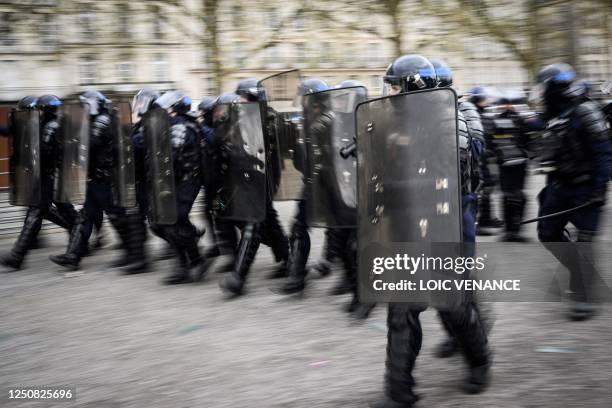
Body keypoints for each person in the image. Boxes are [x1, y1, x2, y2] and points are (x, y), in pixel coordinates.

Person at [372, 55, 490, 408]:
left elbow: (449, 179)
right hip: (410, 222)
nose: (389, 93)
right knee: (402, 307)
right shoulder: (404, 119)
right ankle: (398, 392)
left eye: (395, 86)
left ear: (415, 87)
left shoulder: (449, 120)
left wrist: (396, 186)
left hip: (445, 221)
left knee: (450, 302)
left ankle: (479, 358)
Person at [533, 63, 612, 321]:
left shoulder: (585, 111)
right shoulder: (550, 115)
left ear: (554, 87)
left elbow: (604, 153)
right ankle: (579, 272)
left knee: (585, 242)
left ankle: (584, 294)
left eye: (543, 86)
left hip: (586, 187)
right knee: (547, 233)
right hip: (558, 186)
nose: (540, 91)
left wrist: (600, 188)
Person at [50, 91, 131, 271]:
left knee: (116, 216)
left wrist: (72, 138)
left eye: (85, 104)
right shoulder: (94, 121)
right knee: (85, 217)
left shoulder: (103, 120)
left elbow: (92, 142)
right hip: (95, 178)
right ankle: (73, 256)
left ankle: (132, 251)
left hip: (105, 179)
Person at [0, 95, 77, 270]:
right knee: (52, 211)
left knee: (36, 213)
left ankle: (17, 256)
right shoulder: (38, 125)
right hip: (43, 178)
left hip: (50, 177)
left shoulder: (51, 127)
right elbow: (10, 131)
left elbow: (44, 153)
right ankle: (79, 237)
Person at [147, 91, 207, 284]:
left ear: (176, 109)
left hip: (187, 180)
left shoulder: (181, 127)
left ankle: (193, 262)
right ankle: (189, 261)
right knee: (165, 222)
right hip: (176, 181)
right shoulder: (174, 125)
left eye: (168, 109)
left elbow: (172, 157)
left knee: (175, 219)